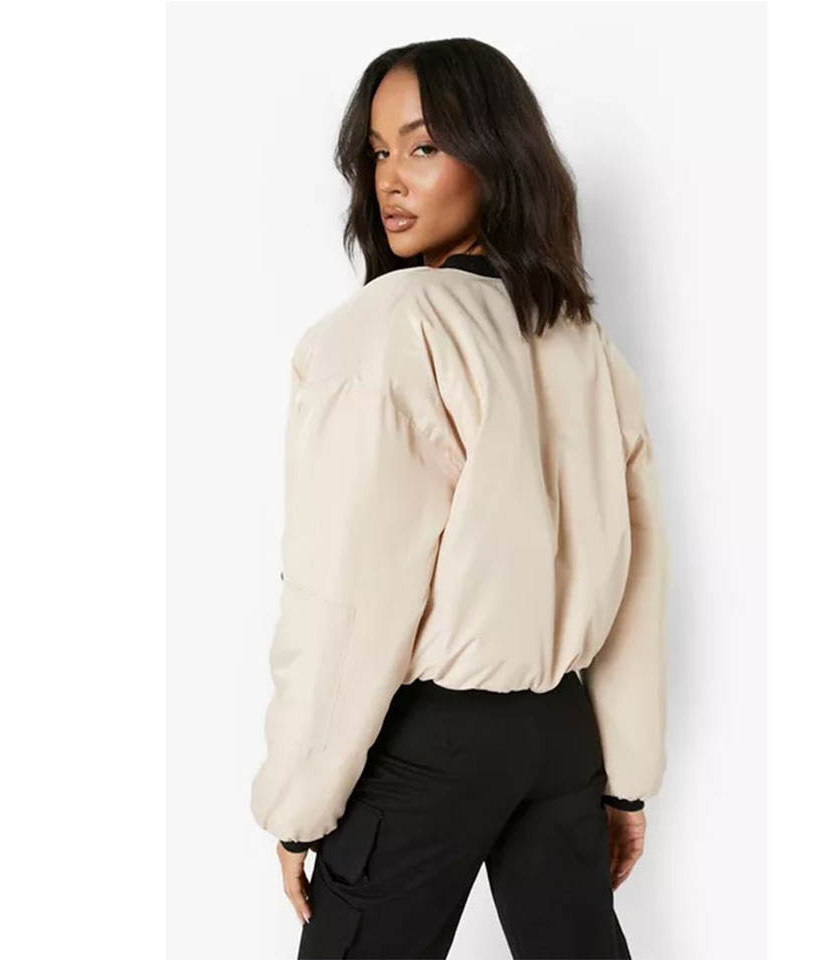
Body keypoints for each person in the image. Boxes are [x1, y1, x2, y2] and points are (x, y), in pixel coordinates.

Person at [251, 37, 670, 960]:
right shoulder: (581, 341)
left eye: (425, 146)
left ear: (495, 156)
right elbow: (638, 571)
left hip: (434, 742)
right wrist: (624, 777)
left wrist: (298, 803)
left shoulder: (394, 325)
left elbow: (349, 592)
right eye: (378, 151)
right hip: (559, 738)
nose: (390, 179)